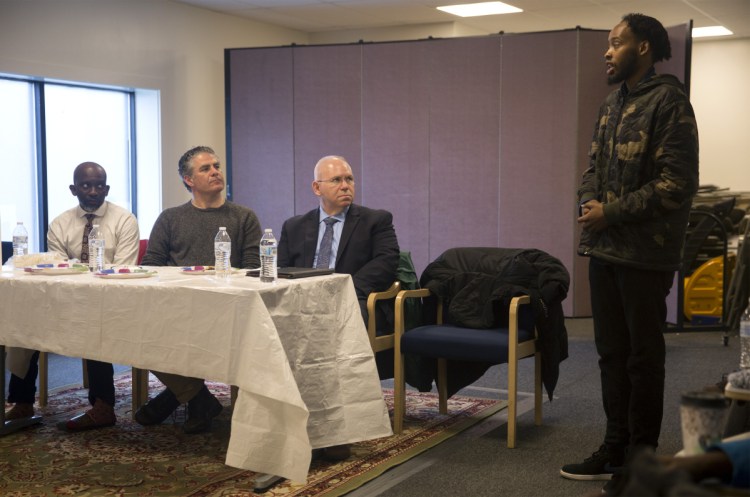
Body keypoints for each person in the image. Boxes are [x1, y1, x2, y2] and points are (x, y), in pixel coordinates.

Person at [560, 12, 699, 491]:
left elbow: (676, 185)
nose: (607, 51)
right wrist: (588, 200)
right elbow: (593, 167)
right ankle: (614, 446)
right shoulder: (610, 104)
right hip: (605, 250)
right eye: (607, 43)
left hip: (645, 254)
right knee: (610, 355)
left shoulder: (670, 101)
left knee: (643, 358)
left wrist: (610, 211)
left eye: (616, 43)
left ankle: (641, 461)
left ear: (643, 48)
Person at [277, 154, 399, 460]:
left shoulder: (375, 220)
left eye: (349, 179)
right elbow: (280, 268)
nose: (346, 185)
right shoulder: (295, 226)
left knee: (332, 336)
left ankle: (336, 427)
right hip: (301, 301)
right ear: (317, 188)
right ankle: (282, 415)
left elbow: (387, 262)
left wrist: (344, 289)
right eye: (337, 180)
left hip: (351, 298)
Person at [134, 145, 261, 434]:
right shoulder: (170, 218)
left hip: (226, 307)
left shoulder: (244, 217)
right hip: (176, 307)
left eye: (216, 166)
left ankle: (178, 397)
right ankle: (198, 398)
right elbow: (150, 264)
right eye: (206, 168)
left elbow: (253, 267)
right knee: (136, 330)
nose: (216, 172)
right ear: (188, 180)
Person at [4, 162, 140, 431]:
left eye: (100, 185)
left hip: (109, 301)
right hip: (65, 299)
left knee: (93, 324)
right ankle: (21, 402)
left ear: (107, 188)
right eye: (86, 185)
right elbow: (58, 266)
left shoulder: (124, 220)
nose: (93, 191)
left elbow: (124, 268)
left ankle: (103, 406)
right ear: (73, 189)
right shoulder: (60, 223)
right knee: (24, 324)